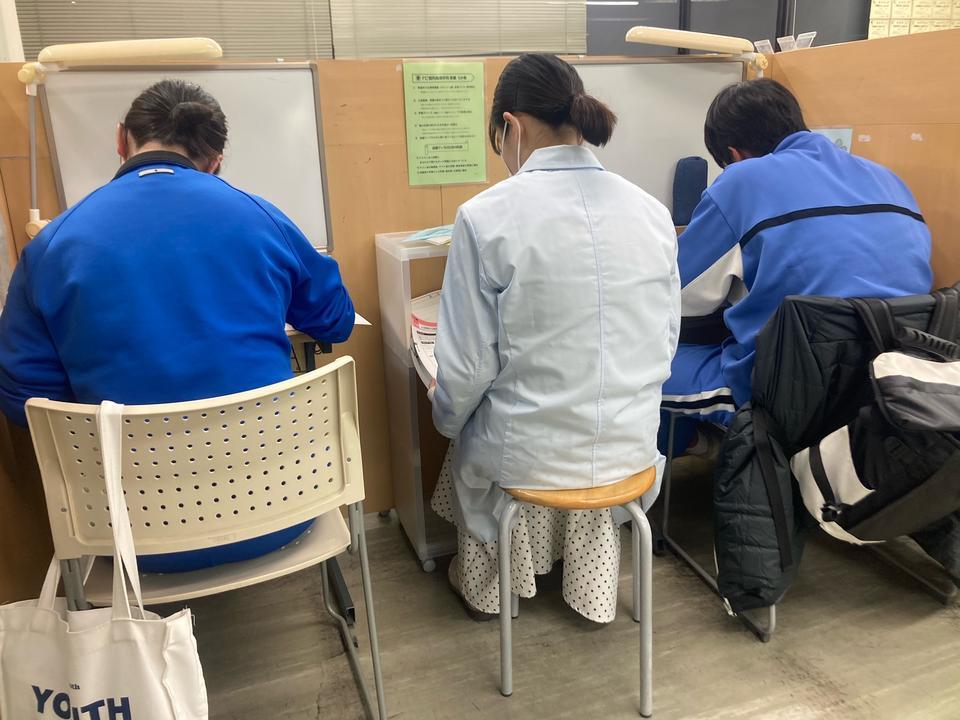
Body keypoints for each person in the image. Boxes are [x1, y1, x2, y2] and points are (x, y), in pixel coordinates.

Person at [0, 80, 354, 571]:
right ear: (216, 161)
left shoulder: (53, 245)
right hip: (282, 507)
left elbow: (25, 405)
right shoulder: (260, 217)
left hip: (128, 534)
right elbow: (336, 321)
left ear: (121, 139)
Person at [429, 54, 680, 623]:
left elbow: (466, 368)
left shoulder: (484, 216)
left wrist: (445, 415)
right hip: (630, 451)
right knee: (530, 427)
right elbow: (666, 340)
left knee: (461, 424)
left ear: (509, 126)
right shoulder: (651, 211)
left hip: (528, 461)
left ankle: (491, 590)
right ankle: (589, 589)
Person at [662, 79, 932, 455]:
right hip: (898, 376)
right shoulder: (889, 178)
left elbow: (674, 292)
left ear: (734, 154)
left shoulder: (742, 180)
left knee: (637, 365)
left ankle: (708, 448)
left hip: (797, 386)